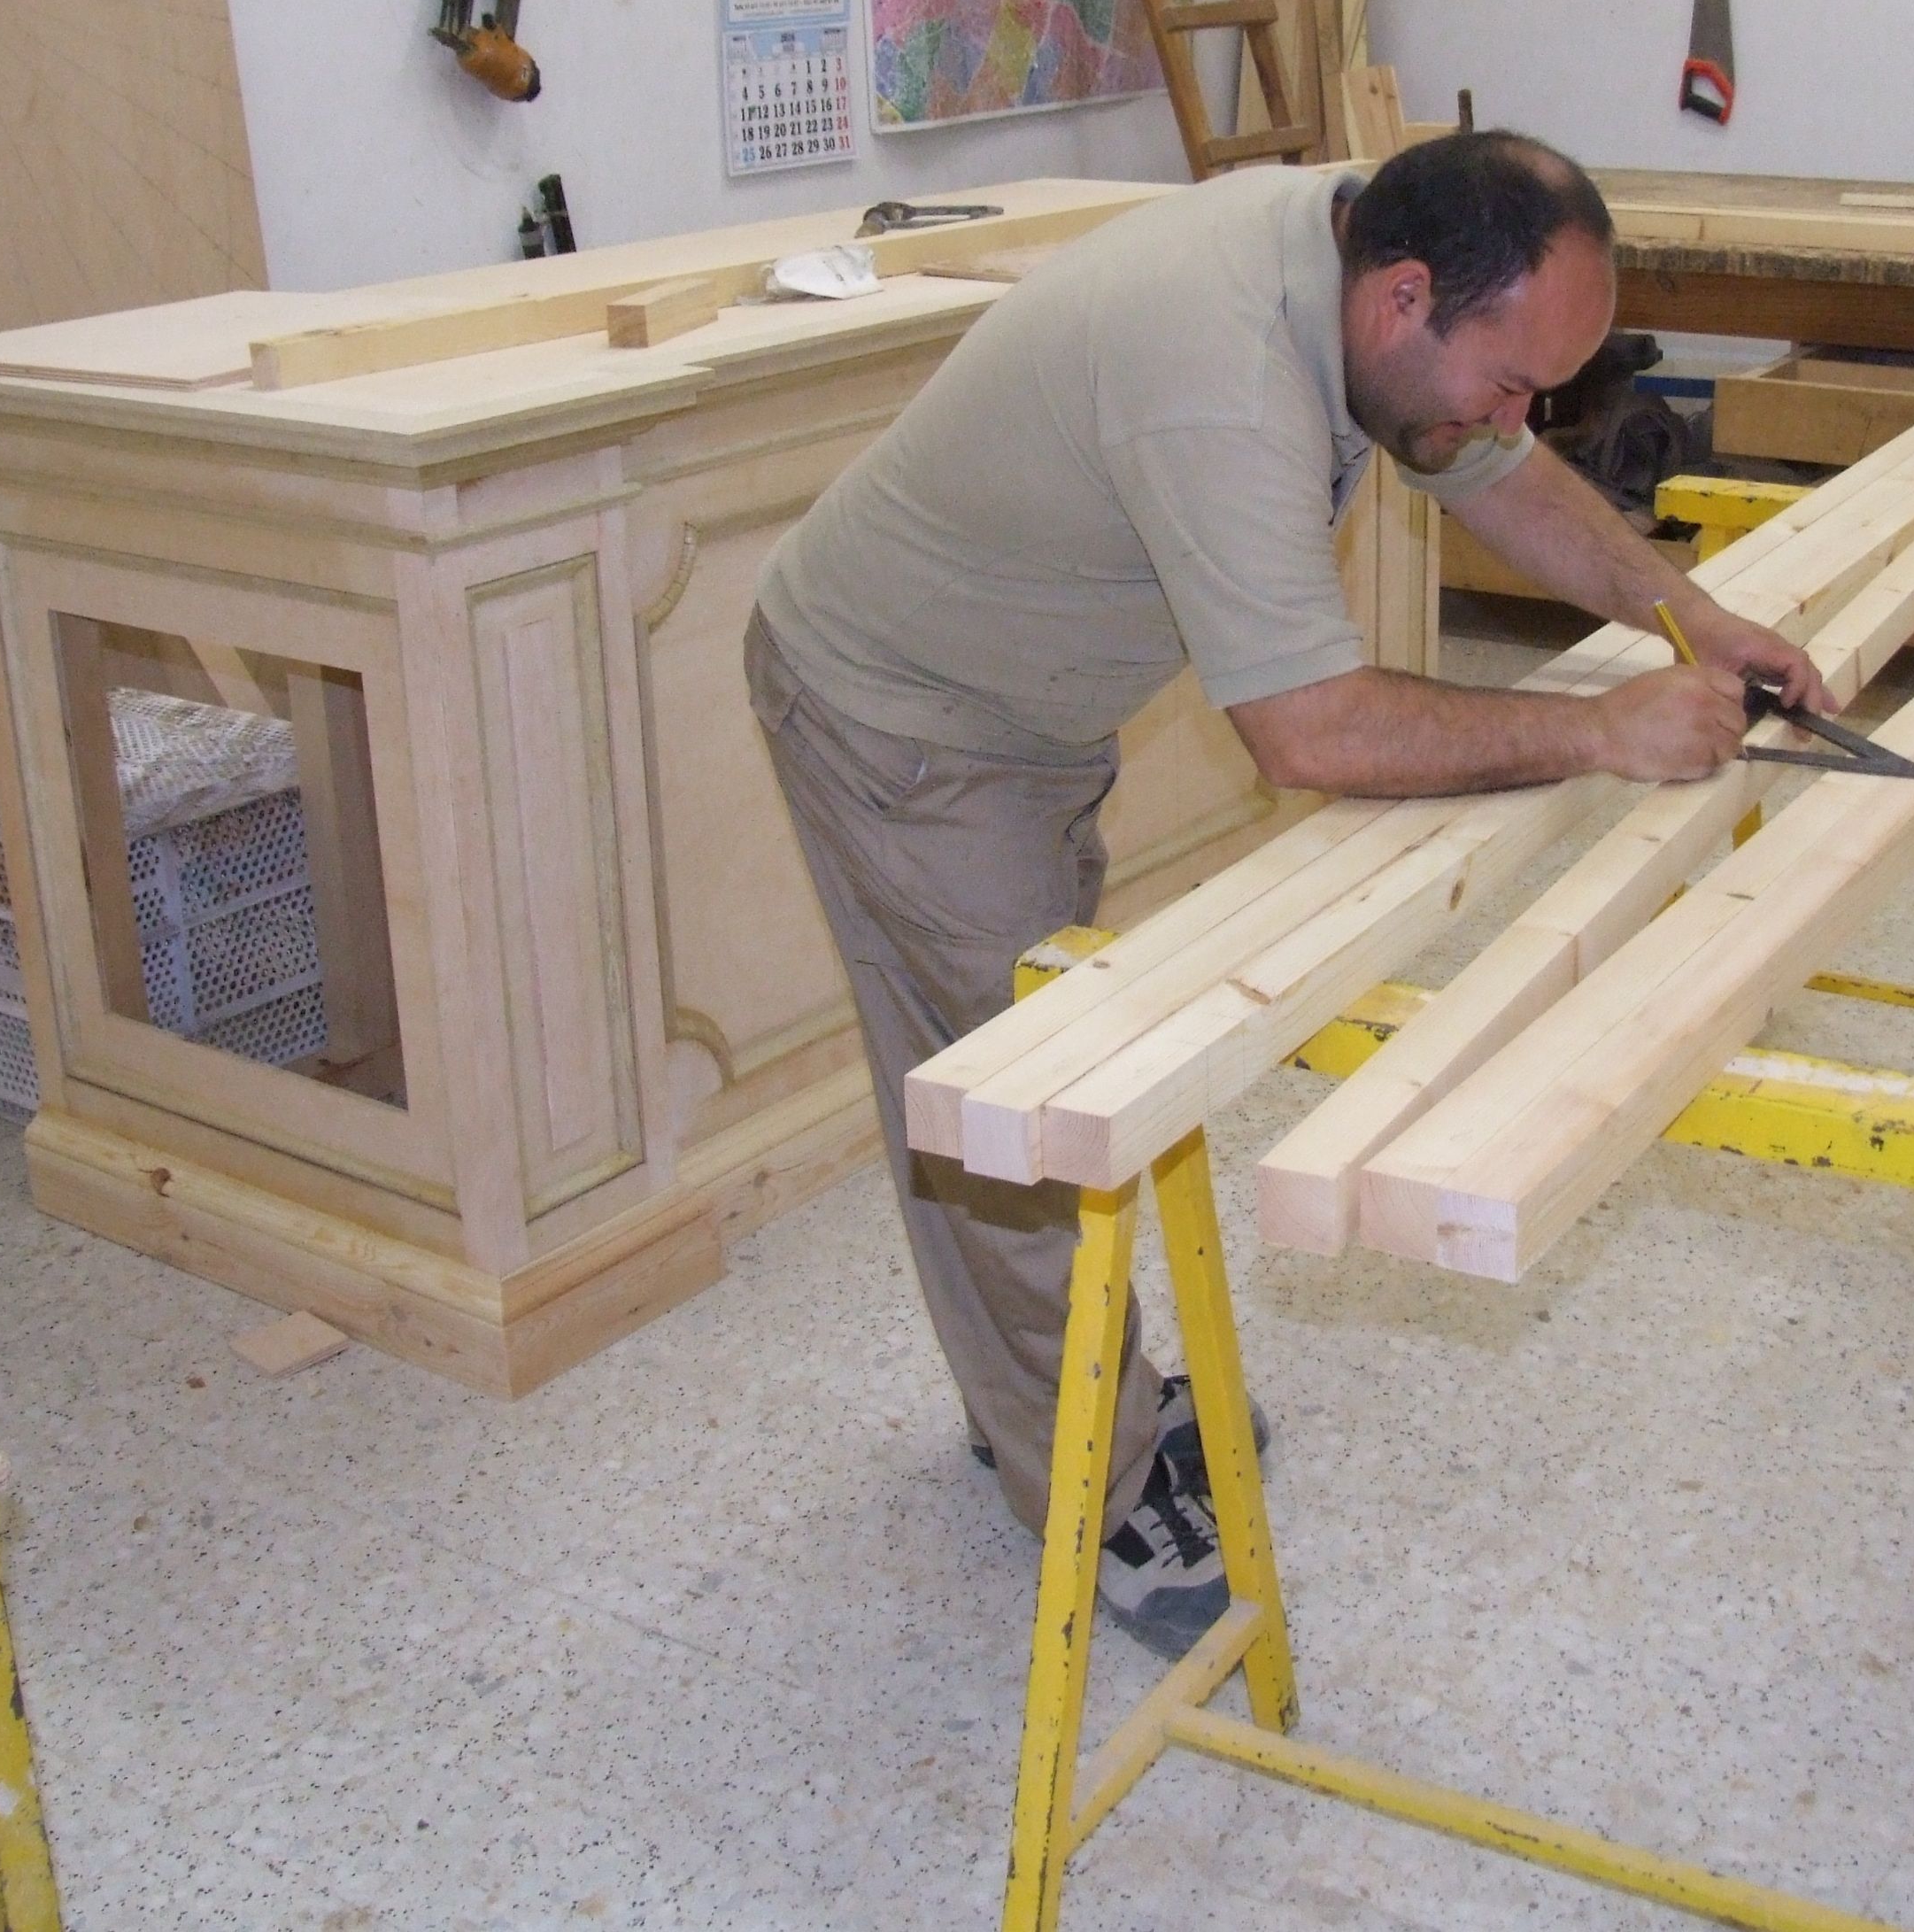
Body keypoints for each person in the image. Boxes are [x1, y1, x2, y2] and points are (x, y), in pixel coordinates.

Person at [745, 134, 1828, 1656]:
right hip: (903, 719)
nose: (1517, 423)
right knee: (1015, 1110)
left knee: (1030, 1058)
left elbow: (1499, 473)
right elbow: (1309, 731)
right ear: (1400, 301)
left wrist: (1692, 616)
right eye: (1510, 382)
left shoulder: (1371, 258)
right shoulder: (1220, 370)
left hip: (1024, 713)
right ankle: (1090, 1481)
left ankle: (1063, 1395)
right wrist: (1596, 728)